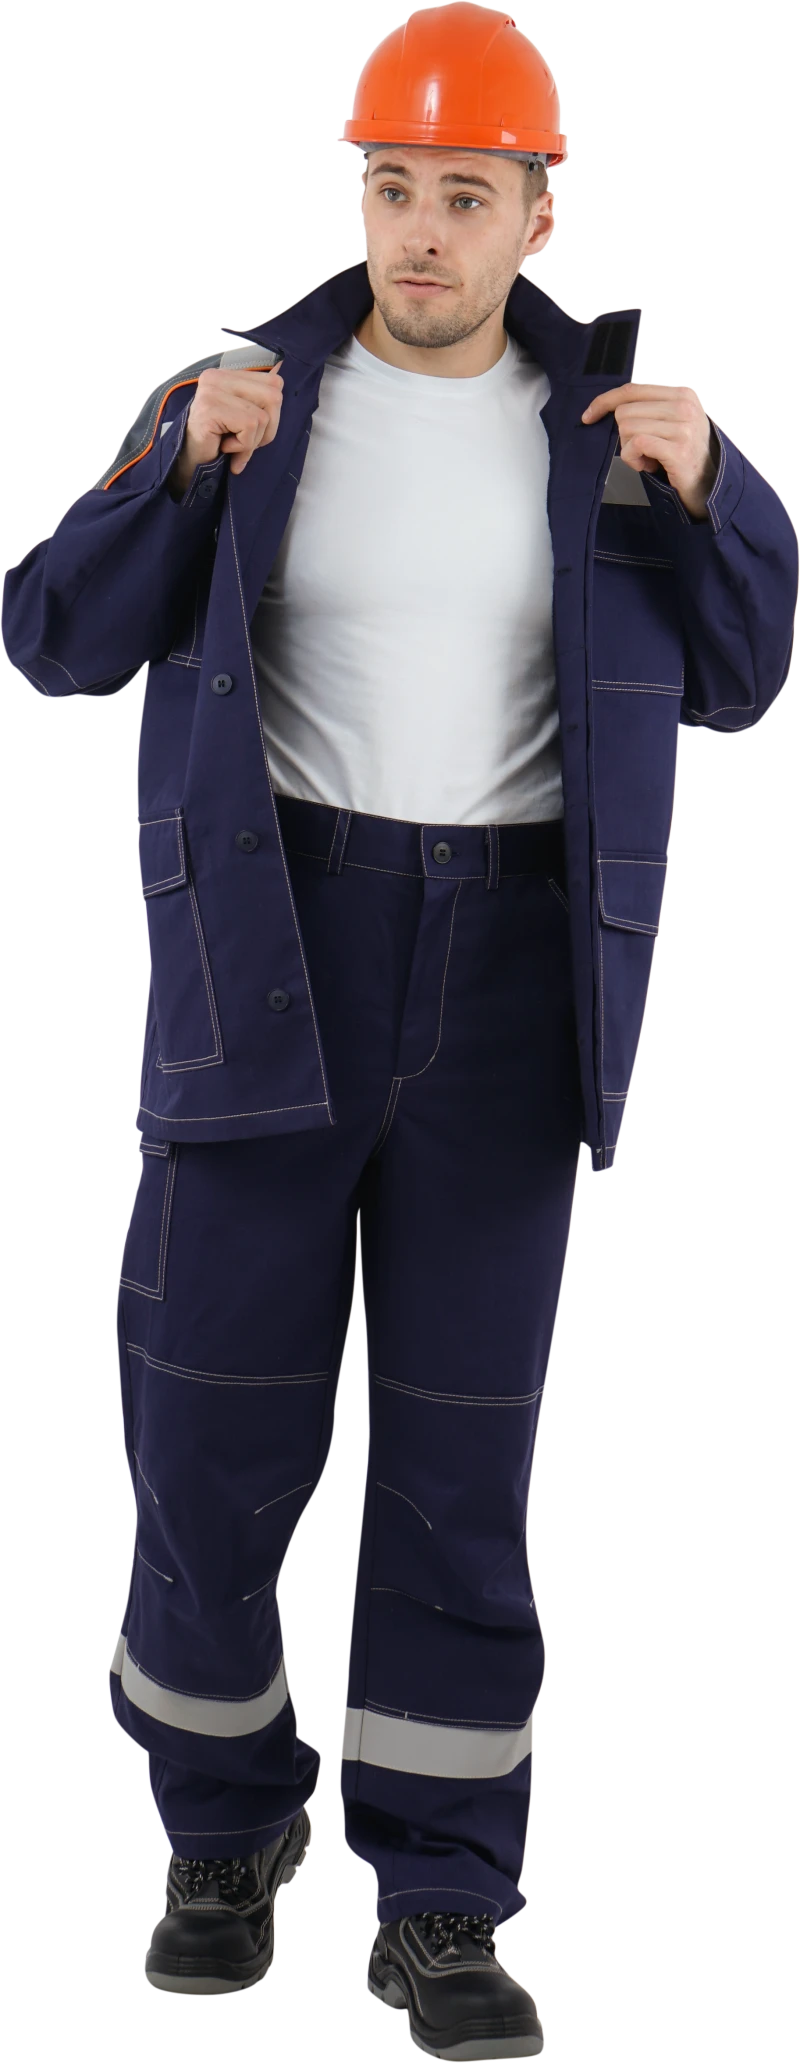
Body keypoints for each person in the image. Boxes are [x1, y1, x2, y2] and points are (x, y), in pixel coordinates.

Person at [2, 3, 794, 2044]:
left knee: (455, 1458)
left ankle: (442, 1893)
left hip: (515, 975)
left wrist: (717, 490)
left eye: (463, 194)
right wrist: (176, 466)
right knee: (206, 1430)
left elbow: (747, 674)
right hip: (273, 947)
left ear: (539, 215)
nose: (419, 231)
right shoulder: (243, 400)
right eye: (390, 187)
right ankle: (221, 1826)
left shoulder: (614, 432)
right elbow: (50, 634)